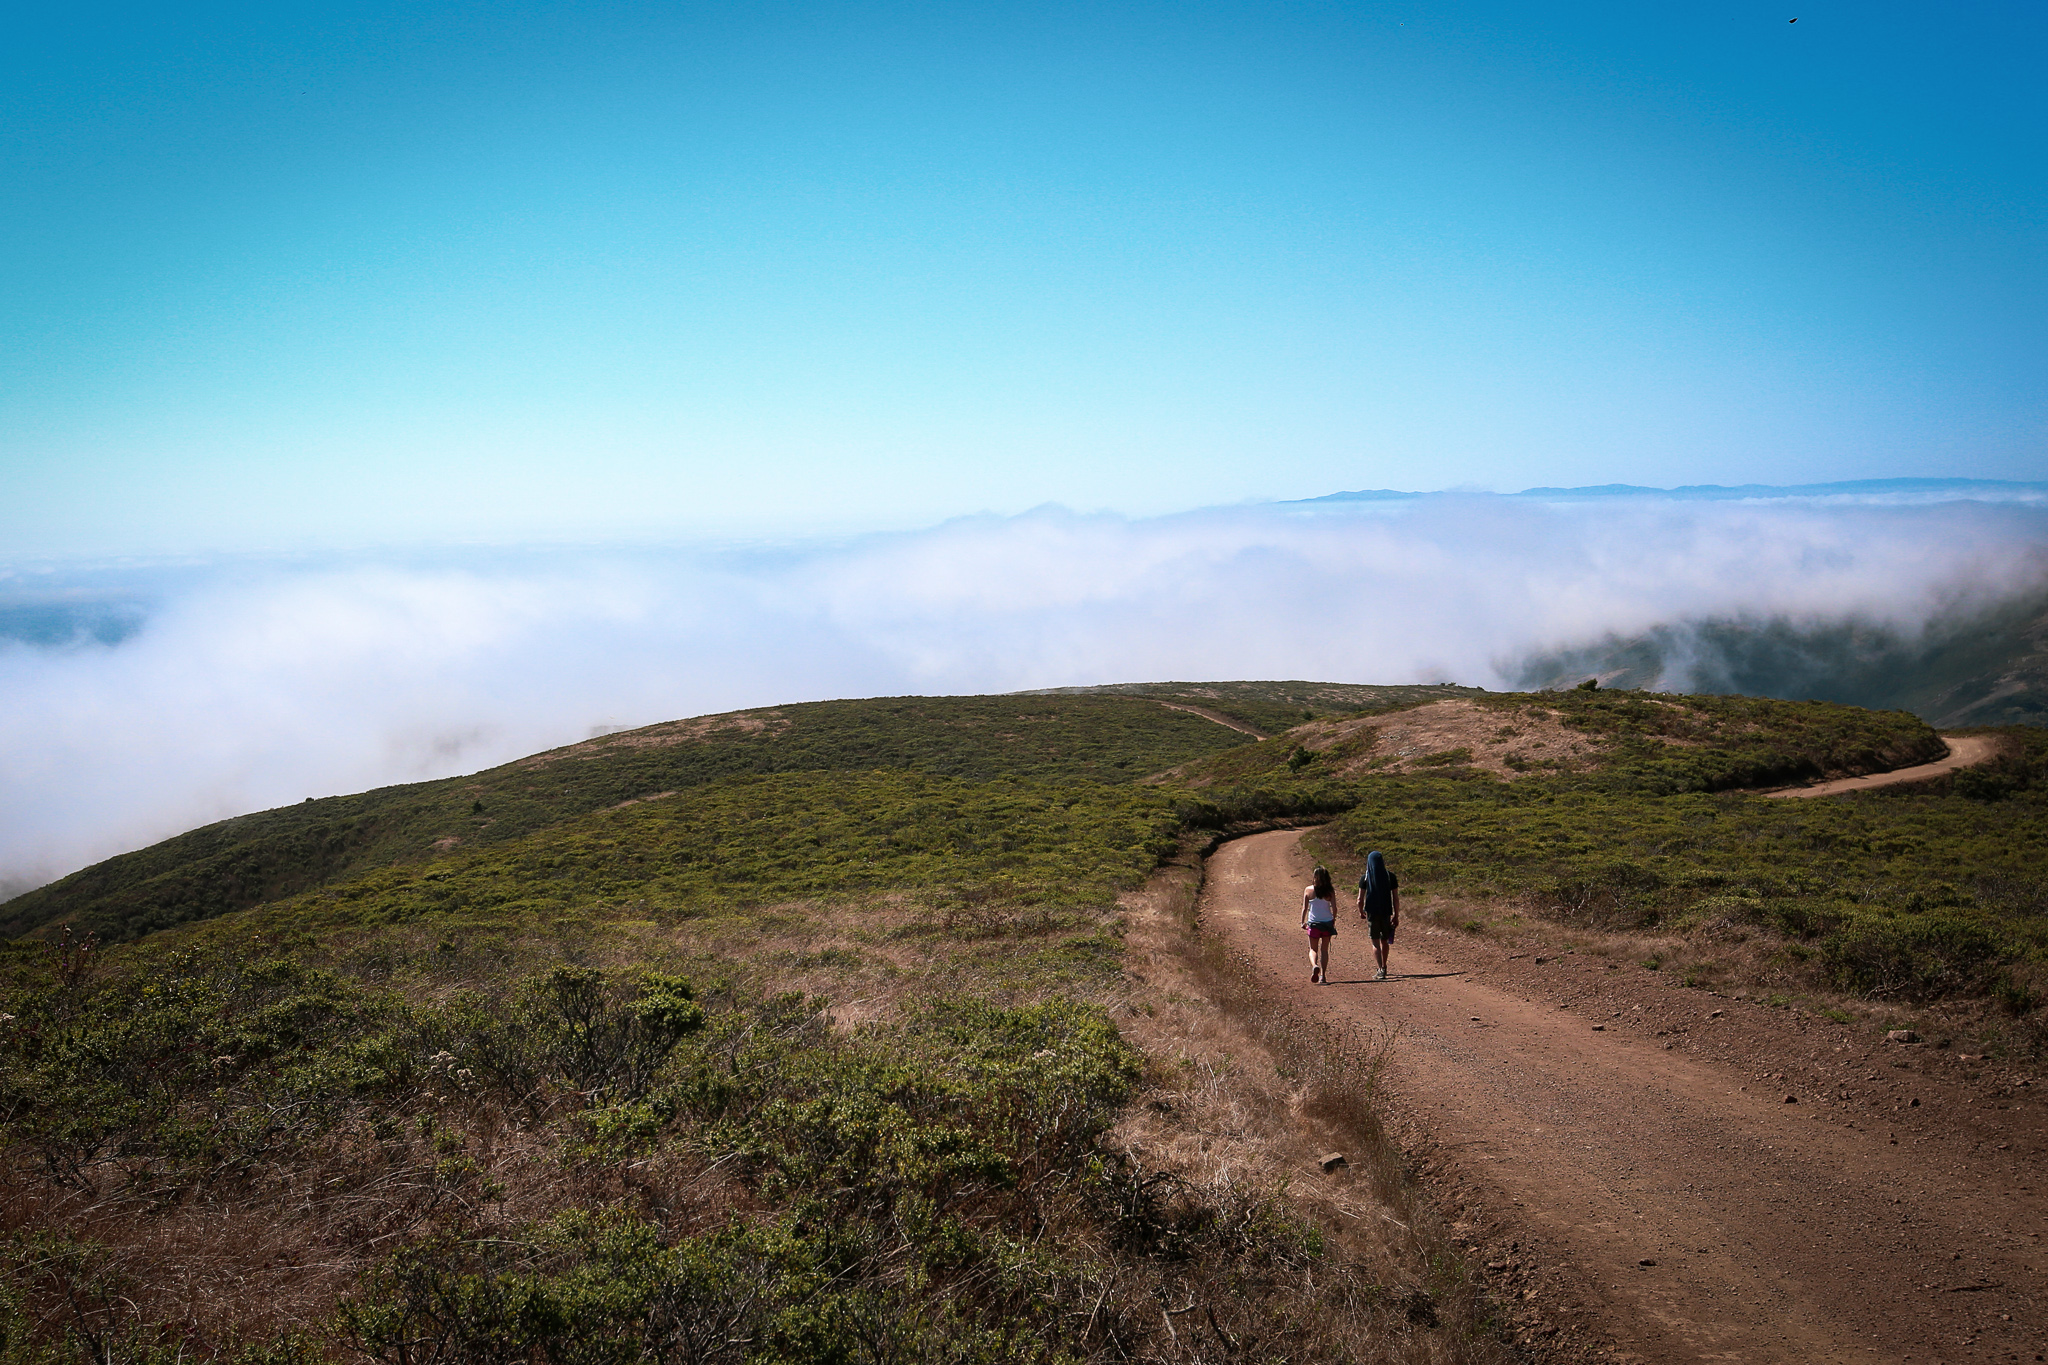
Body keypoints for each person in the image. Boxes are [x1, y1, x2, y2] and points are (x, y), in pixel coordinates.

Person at [1356, 850, 1400, 980]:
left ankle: (1380, 969)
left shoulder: (1365, 877)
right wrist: (1396, 915)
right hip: (1386, 911)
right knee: (1384, 940)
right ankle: (1385, 966)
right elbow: (1396, 898)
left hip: (1372, 912)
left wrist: (1361, 911)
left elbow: (1359, 899)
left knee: (1375, 942)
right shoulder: (1390, 876)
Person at [1301, 865, 1338, 984]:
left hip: (1313, 923)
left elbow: (1305, 908)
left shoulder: (1308, 890)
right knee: (1324, 950)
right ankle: (1323, 976)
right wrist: (1333, 920)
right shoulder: (1330, 891)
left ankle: (1314, 965)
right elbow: (1335, 908)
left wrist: (1302, 921)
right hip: (1327, 923)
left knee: (1313, 949)